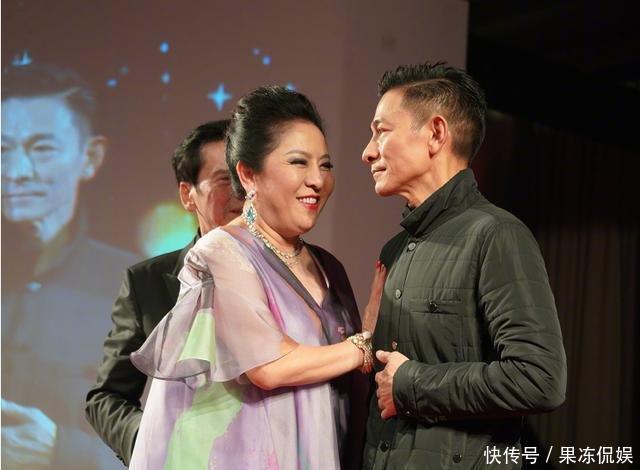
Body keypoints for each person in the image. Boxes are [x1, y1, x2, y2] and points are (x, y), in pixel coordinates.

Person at [128, 86, 385, 470]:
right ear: (248, 174)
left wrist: (372, 335)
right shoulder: (220, 253)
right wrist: (364, 345)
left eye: (326, 165)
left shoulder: (328, 267)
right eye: (298, 162)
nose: (317, 180)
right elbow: (268, 365)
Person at [360, 62, 567, 469]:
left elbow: (540, 378)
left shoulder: (496, 235)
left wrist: (412, 384)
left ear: (436, 134)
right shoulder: (394, 250)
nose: (367, 151)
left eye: (381, 131)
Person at [1, 63, 137, 468]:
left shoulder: (137, 289)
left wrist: (62, 451)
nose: (16, 173)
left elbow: (181, 448)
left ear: (90, 157)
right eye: (2, 149)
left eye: (41, 149)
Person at [85, 120, 243, 466]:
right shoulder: (147, 283)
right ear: (188, 195)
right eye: (224, 179)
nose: (240, 190)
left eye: (246, 175)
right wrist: (155, 444)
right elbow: (106, 397)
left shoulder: (296, 273)